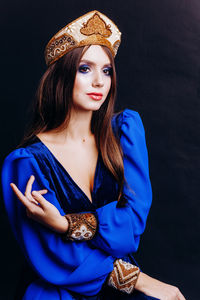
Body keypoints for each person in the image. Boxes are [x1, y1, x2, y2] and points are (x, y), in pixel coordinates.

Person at [1, 10, 185, 300]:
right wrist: (141, 282)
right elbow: (58, 257)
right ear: (62, 75)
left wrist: (66, 224)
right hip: (61, 289)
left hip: (120, 282)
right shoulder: (26, 164)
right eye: (85, 69)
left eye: (106, 70)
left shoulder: (123, 136)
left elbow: (133, 225)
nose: (99, 81)